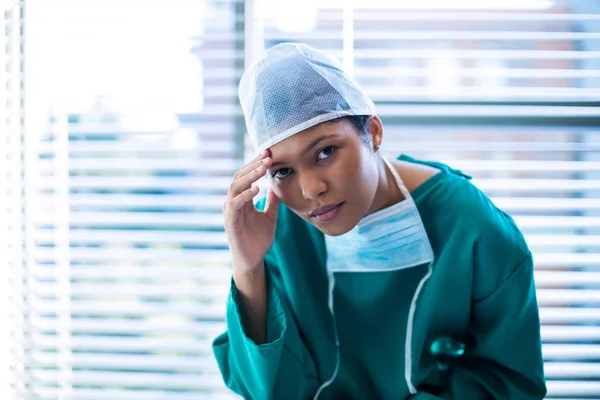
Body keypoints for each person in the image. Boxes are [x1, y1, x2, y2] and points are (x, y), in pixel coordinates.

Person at [212, 43, 547, 400]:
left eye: (325, 152)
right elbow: (265, 389)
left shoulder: (472, 227)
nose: (311, 190)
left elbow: (513, 385)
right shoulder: (278, 228)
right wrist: (248, 269)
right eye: (283, 171)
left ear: (373, 133)